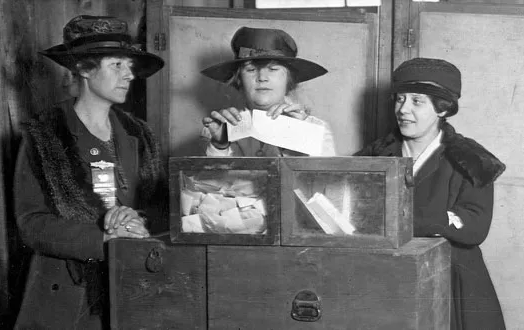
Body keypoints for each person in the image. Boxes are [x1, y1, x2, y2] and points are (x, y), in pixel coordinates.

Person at [13, 15, 166, 329]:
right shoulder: (45, 135)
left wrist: (136, 221)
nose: (129, 75)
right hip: (68, 296)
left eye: (129, 66)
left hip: (134, 285)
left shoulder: (139, 134)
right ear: (83, 69)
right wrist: (103, 238)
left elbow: (160, 208)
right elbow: (30, 224)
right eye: (116, 65)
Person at [355, 57, 506, 329]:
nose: (403, 110)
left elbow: (474, 226)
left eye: (417, 101)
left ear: (443, 110)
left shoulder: (471, 159)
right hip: (384, 272)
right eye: (400, 99)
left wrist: (403, 220)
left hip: (450, 279)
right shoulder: (375, 155)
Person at [200, 26, 336, 157]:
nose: (262, 78)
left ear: (289, 79)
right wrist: (220, 146)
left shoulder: (315, 129)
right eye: (251, 70)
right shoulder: (218, 130)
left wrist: (298, 135)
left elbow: (326, 178)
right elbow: (208, 180)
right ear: (239, 79)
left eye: (273, 69)